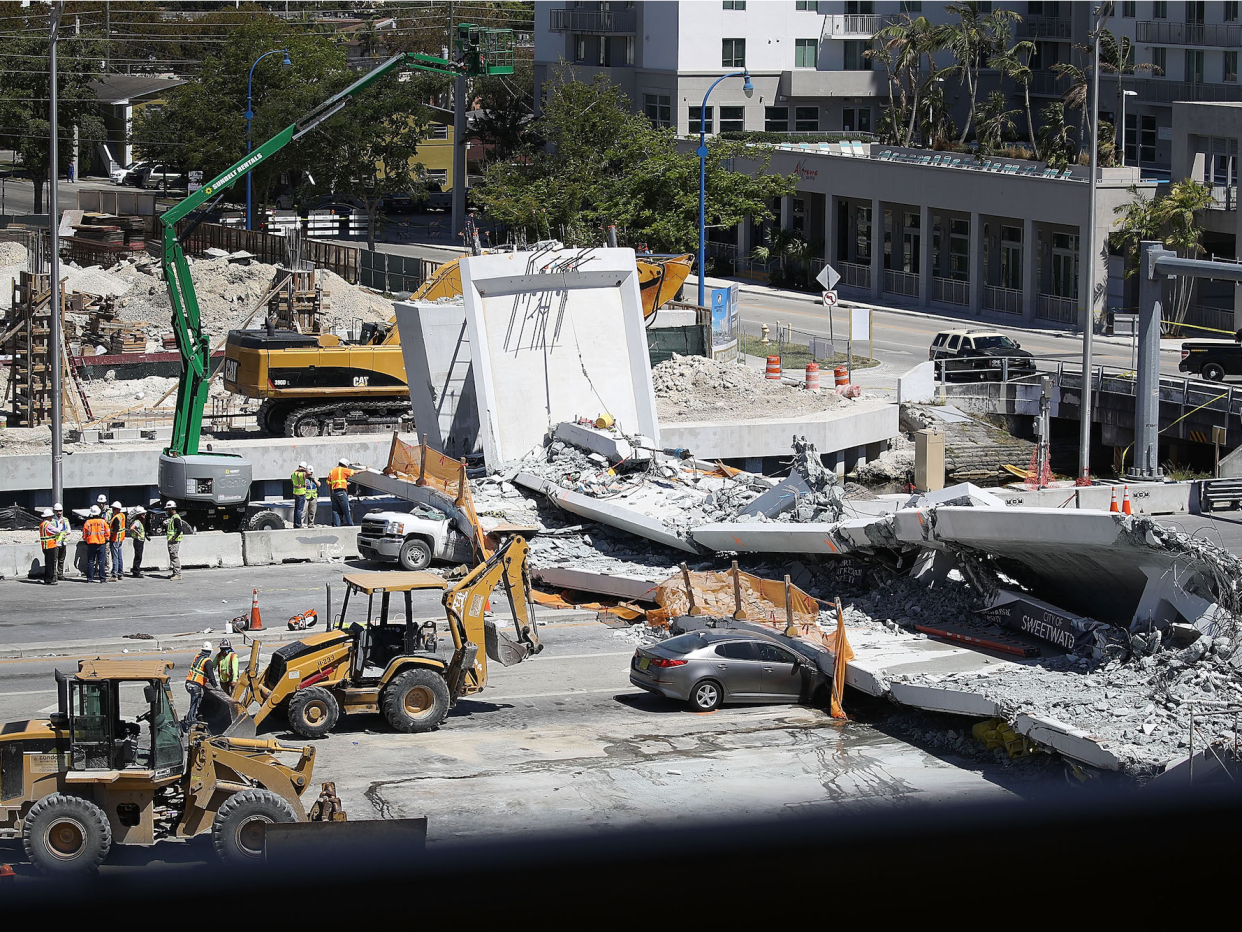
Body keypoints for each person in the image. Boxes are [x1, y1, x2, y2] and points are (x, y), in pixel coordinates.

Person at [182, 641, 218, 732]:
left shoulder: (197, 657)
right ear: (209, 652)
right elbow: (211, 676)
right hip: (196, 685)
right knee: (195, 704)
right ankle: (190, 723)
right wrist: (215, 686)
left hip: (188, 683)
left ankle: (191, 718)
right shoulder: (207, 661)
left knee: (193, 703)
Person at [82, 506, 108, 583]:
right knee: (101, 562)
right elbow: (107, 532)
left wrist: (86, 539)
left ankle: (90, 578)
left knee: (90, 561)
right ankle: (102, 578)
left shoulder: (88, 522)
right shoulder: (103, 522)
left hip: (91, 544)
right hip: (101, 543)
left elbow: (84, 534)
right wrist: (106, 539)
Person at [328, 459, 356, 527]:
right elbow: (355, 472)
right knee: (346, 509)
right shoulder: (343, 470)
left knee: (335, 510)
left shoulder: (332, 471)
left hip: (334, 492)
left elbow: (329, 484)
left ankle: (337, 525)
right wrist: (365, 469)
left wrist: (330, 494)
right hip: (341, 492)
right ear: (344, 465)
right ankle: (350, 524)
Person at [48, 503, 70, 581]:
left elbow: (68, 530)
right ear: (54, 511)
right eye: (57, 511)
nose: (59, 513)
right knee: (54, 560)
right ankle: (54, 575)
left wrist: (66, 533)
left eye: (60, 511)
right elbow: (52, 531)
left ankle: (60, 574)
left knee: (61, 559)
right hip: (55, 543)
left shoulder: (65, 520)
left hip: (63, 542)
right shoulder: (52, 521)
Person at [166, 500, 186, 581]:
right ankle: (175, 573)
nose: (167, 511)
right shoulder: (174, 517)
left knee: (174, 557)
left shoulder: (176, 518)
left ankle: (178, 574)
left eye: (168, 509)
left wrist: (173, 538)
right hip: (172, 541)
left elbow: (179, 530)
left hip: (174, 542)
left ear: (171, 509)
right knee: (172, 557)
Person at [38, 509, 59, 585]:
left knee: (48, 563)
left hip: (44, 546)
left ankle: (47, 579)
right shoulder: (48, 525)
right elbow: (57, 531)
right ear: (48, 517)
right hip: (50, 546)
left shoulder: (42, 524)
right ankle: (49, 580)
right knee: (50, 564)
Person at [108, 501, 126, 581]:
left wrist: (110, 536)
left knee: (115, 557)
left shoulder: (116, 518)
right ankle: (120, 574)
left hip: (115, 539)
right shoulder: (122, 515)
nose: (112, 510)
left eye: (114, 509)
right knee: (119, 557)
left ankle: (114, 575)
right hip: (120, 539)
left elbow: (115, 530)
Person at [96, 494, 111, 577]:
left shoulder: (108, 512)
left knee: (106, 554)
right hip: (97, 537)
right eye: (100, 503)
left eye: (103, 503)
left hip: (105, 537)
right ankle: (98, 569)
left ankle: (106, 569)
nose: (101, 505)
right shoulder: (95, 512)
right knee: (97, 555)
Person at [129, 507, 147, 578]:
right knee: (138, 556)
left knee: (138, 556)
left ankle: (136, 570)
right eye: (143, 514)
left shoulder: (139, 522)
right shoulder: (137, 522)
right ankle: (136, 572)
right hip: (138, 541)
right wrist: (137, 533)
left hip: (140, 540)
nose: (144, 515)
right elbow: (131, 528)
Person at [291, 462, 309, 529]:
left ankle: (295, 524)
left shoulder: (293, 474)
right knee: (299, 510)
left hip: (295, 492)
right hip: (301, 493)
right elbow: (308, 474)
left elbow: (294, 482)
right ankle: (298, 524)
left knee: (296, 510)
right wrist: (305, 470)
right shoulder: (302, 474)